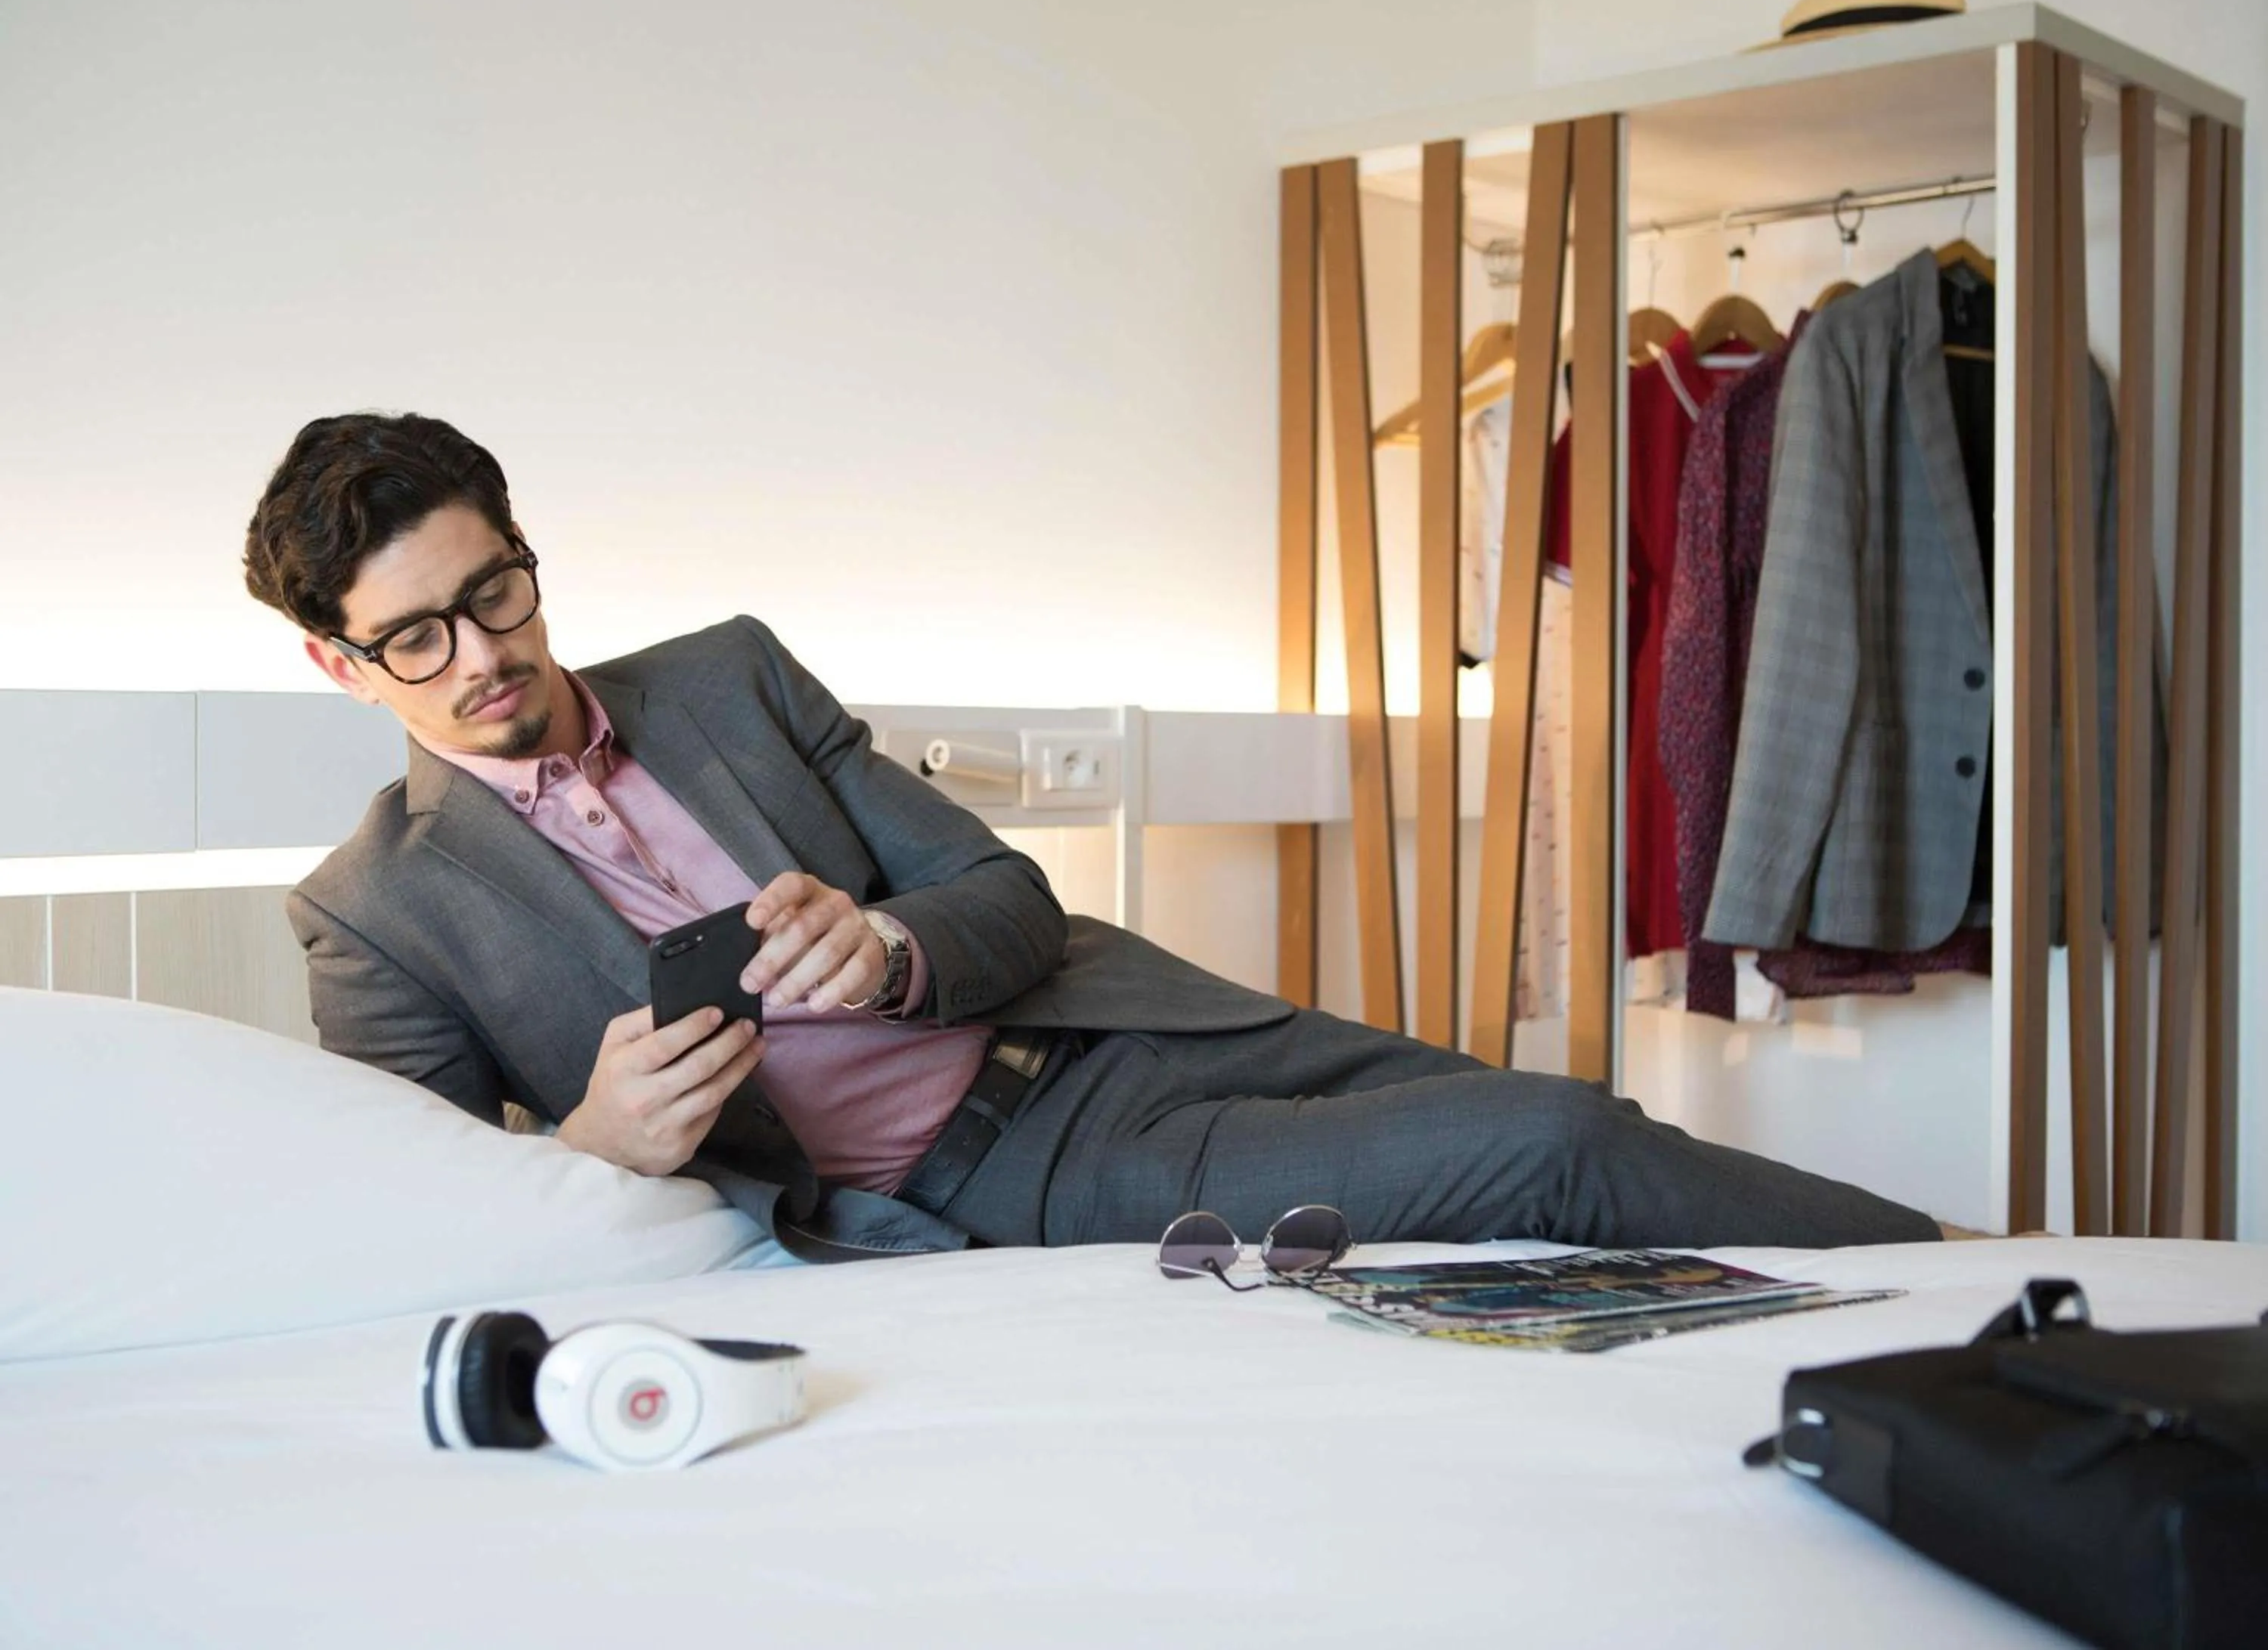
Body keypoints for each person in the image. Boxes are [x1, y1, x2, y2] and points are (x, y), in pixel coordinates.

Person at [245, 411, 1943, 1260]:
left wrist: (897, 943)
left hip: (1123, 1028)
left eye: (498, 595)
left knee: (1591, 1126)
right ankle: (1985, 1290)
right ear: (338, 660)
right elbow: (428, 1221)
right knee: (1559, 1145)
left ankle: (1967, 1300)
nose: (483, 660)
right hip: (1022, 1175)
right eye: (416, 639)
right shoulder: (375, 916)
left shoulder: (723, 678)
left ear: (528, 557)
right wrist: (600, 1152)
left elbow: (1010, 897)